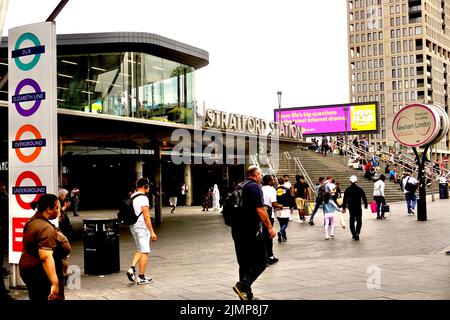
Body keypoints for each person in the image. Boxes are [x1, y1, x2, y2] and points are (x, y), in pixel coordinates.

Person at [231, 166, 276, 301]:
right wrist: (270, 228)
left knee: (244, 263)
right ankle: (243, 285)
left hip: (237, 229)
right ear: (256, 174)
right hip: (250, 229)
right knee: (262, 261)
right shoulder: (254, 187)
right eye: (260, 174)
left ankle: (246, 295)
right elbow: (261, 209)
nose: (261, 177)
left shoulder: (239, 186)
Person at [19, 194, 71, 301]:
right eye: (57, 208)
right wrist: (54, 283)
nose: (59, 211)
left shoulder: (32, 221)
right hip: (41, 275)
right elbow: (46, 257)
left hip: (32, 272)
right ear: (48, 209)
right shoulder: (45, 228)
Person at [126, 178, 157, 285]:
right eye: (148, 186)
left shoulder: (133, 196)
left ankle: (132, 269)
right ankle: (141, 277)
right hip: (142, 227)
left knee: (139, 249)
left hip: (133, 226)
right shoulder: (143, 198)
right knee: (145, 251)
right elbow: (146, 217)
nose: (149, 188)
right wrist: (152, 232)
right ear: (145, 186)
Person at [261, 175, 281, 265]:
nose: (274, 181)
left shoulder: (260, 188)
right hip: (268, 214)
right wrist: (279, 206)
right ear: (269, 181)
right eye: (273, 180)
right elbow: (273, 203)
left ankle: (263, 256)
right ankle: (270, 256)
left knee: (262, 235)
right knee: (269, 235)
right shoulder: (272, 189)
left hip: (259, 214)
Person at [342, 175, 368, 241]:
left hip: (351, 207)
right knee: (359, 220)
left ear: (350, 181)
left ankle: (353, 234)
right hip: (358, 207)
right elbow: (364, 197)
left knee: (352, 220)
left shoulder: (347, 189)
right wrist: (366, 204)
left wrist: (344, 207)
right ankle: (357, 232)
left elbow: (344, 199)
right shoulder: (360, 189)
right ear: (356, 181)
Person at [276, 178, 293, 243]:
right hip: (286, 207)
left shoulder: (275, 190)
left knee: (281, 222)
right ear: (284, 182)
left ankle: (284, 236)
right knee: (286, 222)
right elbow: (290, 198)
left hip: (277, 207)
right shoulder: (287, 189)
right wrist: (291, 207)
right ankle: (281, 231)